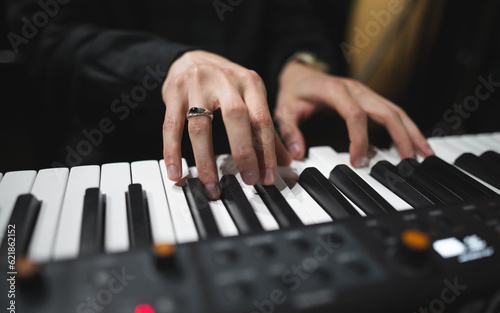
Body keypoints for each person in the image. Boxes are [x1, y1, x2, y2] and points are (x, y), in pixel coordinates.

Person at [7, 0, 434, 200]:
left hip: (269, 147)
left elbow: (291, 15)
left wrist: (301, 63)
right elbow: (47, 35)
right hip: (120, 154)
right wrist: (167, 63)